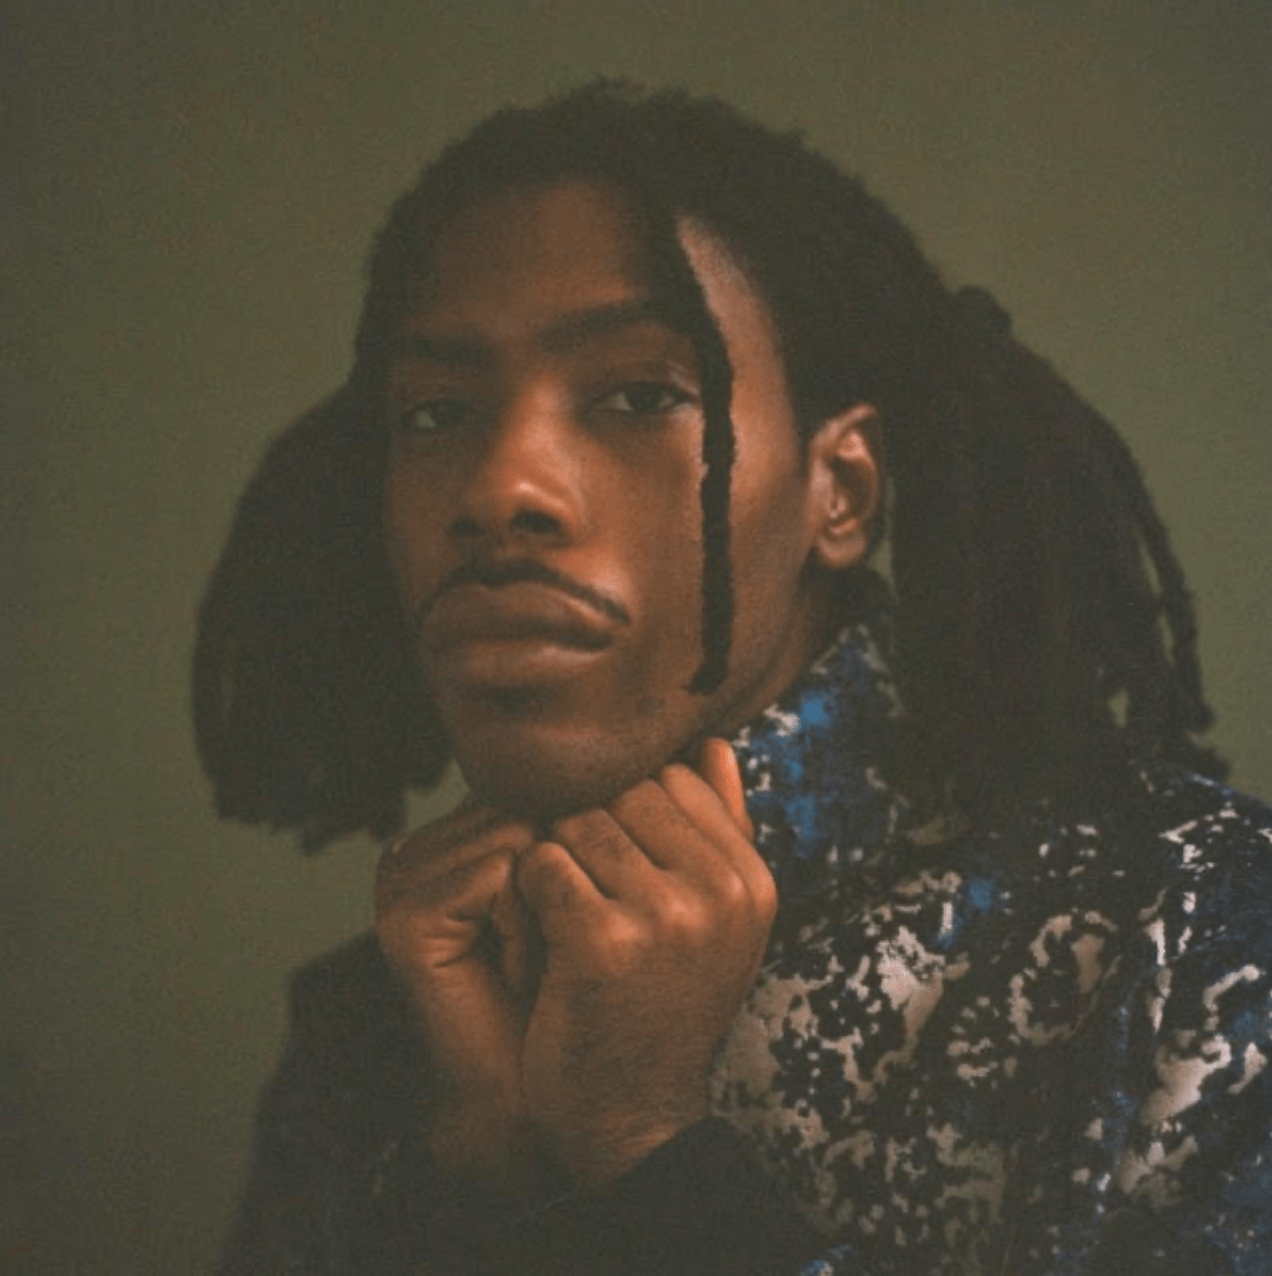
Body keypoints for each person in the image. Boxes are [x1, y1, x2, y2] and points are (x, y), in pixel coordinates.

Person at [194, 82, 1272, 1274]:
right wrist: (483, 1178)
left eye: (640, 395)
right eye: (437, 412)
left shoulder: (1191, 934)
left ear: (839, 492)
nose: (501, 486)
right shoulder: (383, 1026)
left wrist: (648, 1155)